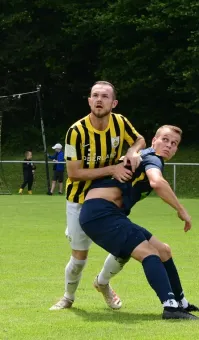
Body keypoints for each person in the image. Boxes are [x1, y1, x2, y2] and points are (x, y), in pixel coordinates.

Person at [79, 125, 199, 320]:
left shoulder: (145, 156)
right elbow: (157, 182)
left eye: (174, 144)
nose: (168, 146)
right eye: (165, 140)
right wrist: (181, 209)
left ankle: (181, 303)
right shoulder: (151, 158)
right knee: (148, 253)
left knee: (163, 250)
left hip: (111, 214)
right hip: (100, 214)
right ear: (153, 141)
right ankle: (170, 307)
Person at [50, 81, 146, 310]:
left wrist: (132, 151)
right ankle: (68, 297)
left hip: (109, 198)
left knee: (123, 250)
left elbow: (140, 140)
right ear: (89, 101)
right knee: (79, 258)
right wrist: (112, 169)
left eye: (104, 96)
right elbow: (73, 173)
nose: (99, 99)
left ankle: (103, 284)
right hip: (80, 200)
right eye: (95, 95)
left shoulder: (120, 122)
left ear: (114, 103)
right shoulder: (76, 131)